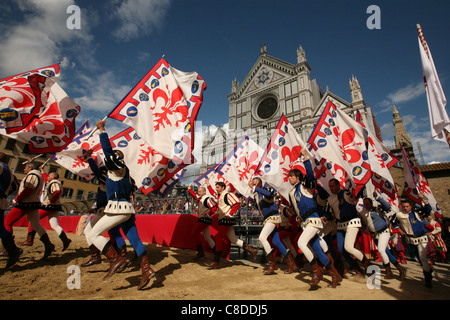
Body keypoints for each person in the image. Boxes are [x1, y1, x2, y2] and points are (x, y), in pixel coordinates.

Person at [85, 119, 155, 289]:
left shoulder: (116, 166)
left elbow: (107, 152)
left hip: (117, 208)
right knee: (135, 239)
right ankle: (146, 269)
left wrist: (102, 130)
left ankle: (116, 259)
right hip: (126, 209)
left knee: (92, 235)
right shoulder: (125, 173)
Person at [288, 149, 341, 288]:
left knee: (301, 243)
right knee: (317, 249)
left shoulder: (304, 186)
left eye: (292, 176)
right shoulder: (291, 192)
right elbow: (295, 209)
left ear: (298, 178)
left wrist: (305, 159)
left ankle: (317, 272)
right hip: (305, 222)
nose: (289, 178)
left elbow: (311, 177)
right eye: (289, 176)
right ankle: (335, 275)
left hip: (313, 220)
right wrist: (297, 217)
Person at [4, 162, 55, 260]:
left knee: (7, 222)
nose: (24, 169)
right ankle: (48, 244)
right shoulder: (39, 176)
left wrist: (16, 199)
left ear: (30, 167)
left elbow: (28, 189)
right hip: (34, 203)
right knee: (36, 225)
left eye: (25, 167)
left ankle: (8, 248)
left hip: (26, 203)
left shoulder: (32, 175)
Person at [248, 177, 297, 275]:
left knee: (262, 238)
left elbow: (269, 195)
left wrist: (254, 188)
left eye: (254, 184)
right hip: (267, 219)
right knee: (276, 241)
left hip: (272, 218)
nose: (252, 185)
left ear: (259, 184)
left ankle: (272, 263)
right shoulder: (257, 195)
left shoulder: (266, 190)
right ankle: (292, 264)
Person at [204, 181, 258, 269]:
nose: (216, 189)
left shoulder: (227, 195)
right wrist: (208, 185)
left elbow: (237, 202)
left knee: (218, 238)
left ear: (223, 187)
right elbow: (212, 192)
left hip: (226, 219)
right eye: (216, 187)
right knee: (233, 239)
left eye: (217, 187)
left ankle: (216, 261)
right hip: (224, 219)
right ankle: (252, 250)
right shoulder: (220, 195)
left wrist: (230, 213)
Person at [17, 165, 71, 251]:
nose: (48, 177)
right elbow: (46, 178)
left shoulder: (54, 183)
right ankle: (65, 240)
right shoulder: (54, 182)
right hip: (55, 207)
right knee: (55, 225)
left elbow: (57, 192)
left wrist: (52, 200)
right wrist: (42, 170)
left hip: (49, 206)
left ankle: (29, 239)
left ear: (53, 177)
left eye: (49, 176)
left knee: (33, 221)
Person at [327, 178, 370, 276]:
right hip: (340, 224)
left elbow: (355, 194)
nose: (331, 188)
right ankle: (357, 268)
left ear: (338, 185)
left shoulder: (346, 193)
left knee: (349, 247)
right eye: (330, 186)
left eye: (333, 186)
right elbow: (330, 212)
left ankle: (368, 264)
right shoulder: (330, 199)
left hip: (352, 222)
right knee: (341, 249)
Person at [359, 193, 406, 280]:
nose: (366, 206)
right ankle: (400, 268)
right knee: (386, 253)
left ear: (371, 203)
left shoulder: (377, 209)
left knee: (381, 250)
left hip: (384, 232)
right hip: (375, 236)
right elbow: (362, 222)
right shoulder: (363, 213)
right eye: (365, 204)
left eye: (368, 204)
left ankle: (389, 271)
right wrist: (364, 229)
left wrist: (378, 198)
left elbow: (387, 207)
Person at [390, 196, 433, 288]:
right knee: (418, 258)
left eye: (407, 206)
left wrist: (422, 199)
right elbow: (393, 223)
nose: (405, 208)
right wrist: (400, 230)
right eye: (404, 206)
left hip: (421, 237)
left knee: (423, 257)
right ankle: (428, 270)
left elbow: (428, 208)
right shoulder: (398, 215)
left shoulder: (417, 213)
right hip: (410, 240)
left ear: (411, 206)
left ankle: (427, 277)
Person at [0, 152, 22, 268]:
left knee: (3, 226)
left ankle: (13, 250)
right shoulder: (9, 171)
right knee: (2, 227)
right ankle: (12, 250)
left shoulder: (1, 168)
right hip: (2, 199)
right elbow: (14, 187)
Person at [187, 183, 217, 260]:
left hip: (204, 219)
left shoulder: (207, 199)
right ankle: (217, 253)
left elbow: (214, 208)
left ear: (204, 192)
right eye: (198, 191)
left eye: (200, 191)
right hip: (205, 219)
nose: (198, 193)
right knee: (207, 237)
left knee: (194, 233)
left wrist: (208, 214)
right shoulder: (202, 198)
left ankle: (201, 253)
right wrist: (189, 189)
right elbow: (195, 195)